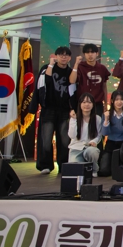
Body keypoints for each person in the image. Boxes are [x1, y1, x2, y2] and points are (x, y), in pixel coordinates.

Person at [30, 46, 76, 174]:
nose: (63, 57)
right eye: (61, 55)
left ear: (70, 58)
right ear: (56, 56)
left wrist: (73, 108)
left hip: (64, 110)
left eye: (66, 55)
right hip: (48, 109)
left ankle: (63, 165)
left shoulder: (70, 72)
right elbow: (43, 85)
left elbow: (73, 90)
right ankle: (45, 165)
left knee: (64, 140)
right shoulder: (47, 68)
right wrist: (34, 106)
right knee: (46, 138)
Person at [69, 43, 110, 120]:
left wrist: (106, 103)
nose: (90, 55)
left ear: (97, 54)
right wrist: (76, 64)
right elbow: (72, 80)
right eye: (87, 52)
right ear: (84, 54)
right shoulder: (80, 66)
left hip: (97, 103)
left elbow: (104, 86)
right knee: (81, 124)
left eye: (92, 52)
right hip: (83, 103)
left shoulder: (102, 68)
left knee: (97, 124)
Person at [100, 90, 123, 177]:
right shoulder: (107, 114)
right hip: (110, 144)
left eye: (121, 99)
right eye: (116, 99)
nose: (119, 102)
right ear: (112, 101)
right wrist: (106, 120)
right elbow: (105, 133)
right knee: (104, 171)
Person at [68, 93, 103, 176]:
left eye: (89, 102)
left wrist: (94, 141)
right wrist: (73, 120)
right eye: (84, 102)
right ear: (80, 104)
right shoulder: (75, 118)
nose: (86, 104)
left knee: (92, 152)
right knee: (76, 172)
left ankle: (94, 169)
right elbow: (72, 135)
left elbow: (99, 135)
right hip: (76, 148)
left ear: (93, 104)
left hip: (89, 147)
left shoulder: (97, 119)